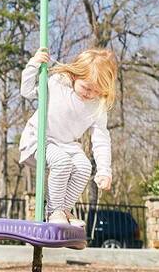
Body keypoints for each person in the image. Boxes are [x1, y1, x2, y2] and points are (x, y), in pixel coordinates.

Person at [19, 48, 117, 226]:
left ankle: (64, 209)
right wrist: (33, 65)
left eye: (96, 91)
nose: (89, 94)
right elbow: (26, 91)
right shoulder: (57, 83)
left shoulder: (97, 106)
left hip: (67, 145)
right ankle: (53, 211)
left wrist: (104, 170)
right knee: (62, 162)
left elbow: (101, 139)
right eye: (86, 87)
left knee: (84, 167)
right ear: (74, 75)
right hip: (39, 139)